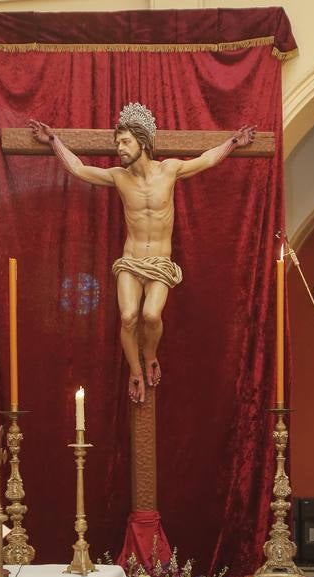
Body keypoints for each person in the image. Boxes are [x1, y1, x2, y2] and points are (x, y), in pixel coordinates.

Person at [29, 104, 256, 403]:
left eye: (125, 142)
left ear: (143, 142)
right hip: (131, 260)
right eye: (117, 142)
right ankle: (135, 370)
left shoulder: (169, 169)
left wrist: (233, 142)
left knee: (150, 315)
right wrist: (54, 141)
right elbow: (79, 169)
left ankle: (150, 355)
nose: (119, 148)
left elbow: (205, 161)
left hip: (160, 262)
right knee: (128, 316)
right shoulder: (118, 177)